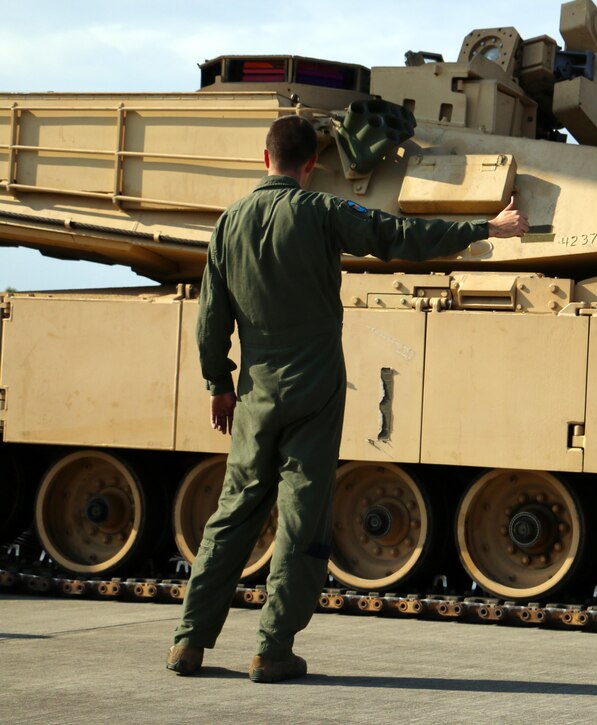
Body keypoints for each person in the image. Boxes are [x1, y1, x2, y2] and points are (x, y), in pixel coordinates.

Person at [166, 115, 529, 683]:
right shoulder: (322, 212)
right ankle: (272, 649)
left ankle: (189, 642)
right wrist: (487, 226)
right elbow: (399, 238)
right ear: (312, 165)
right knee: (301, 520)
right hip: (313, 387)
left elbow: (210, 321)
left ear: (266, 160)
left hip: (255, 393)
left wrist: (219, 385)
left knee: (232, 516)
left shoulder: (228, 223)